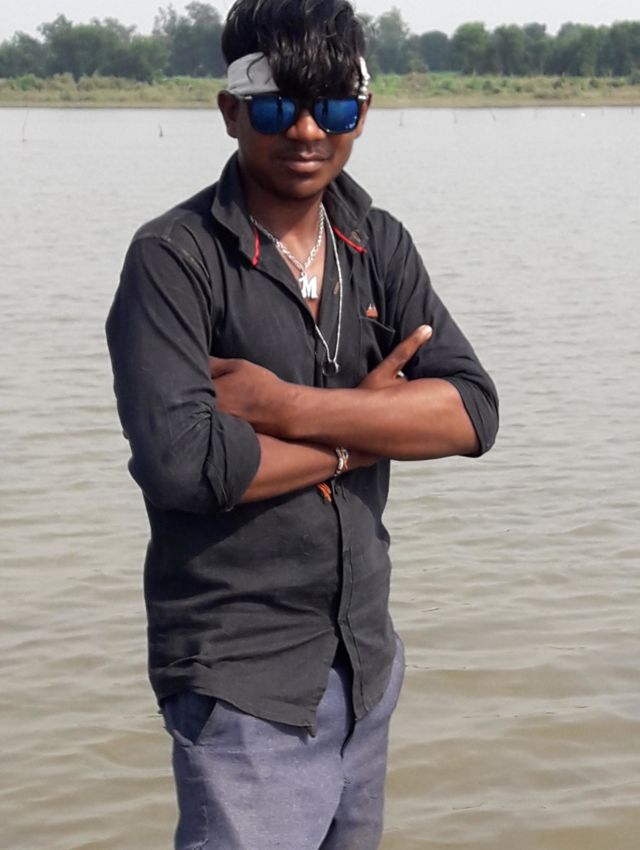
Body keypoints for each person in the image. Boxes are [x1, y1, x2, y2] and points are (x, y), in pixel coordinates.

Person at [106, 1, 499, 847]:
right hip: (242, 679)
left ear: (364, 112)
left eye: (336, 107)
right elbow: (187, 466)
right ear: (231, 111)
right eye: (279, 107)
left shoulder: (376, 244)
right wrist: (372, 427)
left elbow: (471, 411)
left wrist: (284, 407)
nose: (309, 132)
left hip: (364, 664)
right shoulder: (174, 259)